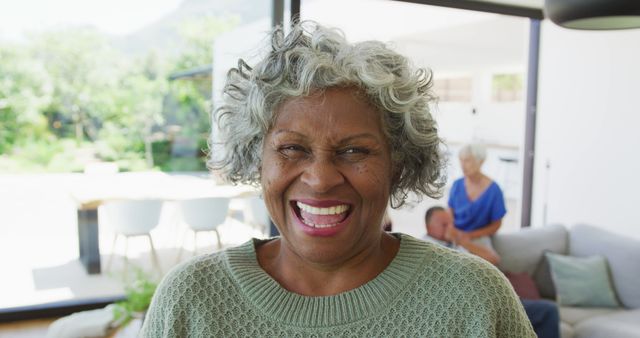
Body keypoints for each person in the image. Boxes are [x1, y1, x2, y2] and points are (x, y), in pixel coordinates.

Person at [140, 21, 534, 337]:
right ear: (256, 159)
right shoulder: (191, 301)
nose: (321, 179)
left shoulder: (474, 299)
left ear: (398, 164)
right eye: (293, 148)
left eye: (354, 151)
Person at [424, 206, 560, 338]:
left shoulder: (457, 243)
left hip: (491, 298)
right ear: (429, 227)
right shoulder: (427, 248)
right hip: (471, 305)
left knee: (548, 310)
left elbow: (493, 260)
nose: (450, 228)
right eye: (444, 225)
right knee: (548, 311)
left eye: (451, 223)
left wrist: (462, 241)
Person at [448, 143, 506, 243]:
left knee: (492, 258)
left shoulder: (494, 190)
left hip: (479, 237)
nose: (462, 165)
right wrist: (453, 233)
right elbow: (450, 214)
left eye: (467, 160)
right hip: (456, 236)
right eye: (461, 160)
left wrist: (469, 236)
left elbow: (496, 225)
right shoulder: (457, 185)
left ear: (481, 161)